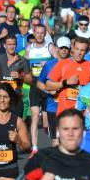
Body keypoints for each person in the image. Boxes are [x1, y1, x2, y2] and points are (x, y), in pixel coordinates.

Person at [26, 24, 58, 155]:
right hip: (34, 86)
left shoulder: (49, 47)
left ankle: (53, 142)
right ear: (34, 32)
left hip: (47, 87)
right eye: (37, 32)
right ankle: (34, 148)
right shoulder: (29, 48)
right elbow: (25, 67)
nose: (39, 35)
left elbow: (59, 62)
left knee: (46, 123)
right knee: (34, 116)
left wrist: (49, 64)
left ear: (45, 34)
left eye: (41, 33)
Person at [36, 36, 71, 145]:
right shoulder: (49, 65)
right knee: (55, 139)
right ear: (56, 48)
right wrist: (48, 91)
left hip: (70, 107)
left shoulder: (74, 64)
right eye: (61, 48)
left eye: (66, 48)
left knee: (70, 139)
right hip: (53, 107)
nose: (64, 50)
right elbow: (39, 83)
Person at [46, 37, 90, 115]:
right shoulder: (62, 64)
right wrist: (65, 82)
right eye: (77, 49)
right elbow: (48, 86)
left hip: (84, 113)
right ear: (73, 48)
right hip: (65, 112)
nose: (79, 53)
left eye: (82, 50)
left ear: (87, 51)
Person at [0, 34, 33, 118]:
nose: (11, 47)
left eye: (13, 44)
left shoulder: (23, 60)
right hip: (1, 98)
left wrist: (20, 77)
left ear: (16, 45)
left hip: (16, 98)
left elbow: (30, 80)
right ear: (4, 45)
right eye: (9, 44)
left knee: (15, 127)